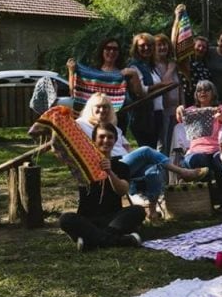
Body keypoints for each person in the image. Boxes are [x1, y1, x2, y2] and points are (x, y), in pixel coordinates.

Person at [77, 93, 207, 221]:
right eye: (98, 106)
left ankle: (152, 211)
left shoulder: (114, 128)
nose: (102, 110)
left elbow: (127, 148)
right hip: (109, 163)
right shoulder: (81, 124)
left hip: (124, 164)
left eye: (106, 107)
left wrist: (137, 161)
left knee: (153, 168)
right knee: (146, 150)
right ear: (90, 108)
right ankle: (182, 171)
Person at [59, 122, 146, 252]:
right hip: (88, 219)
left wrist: (109, 172)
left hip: (113, 218)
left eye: (110, 137)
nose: (106, 140)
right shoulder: (81, 165)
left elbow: (122, 191)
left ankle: (91, 241)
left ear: (115, 140)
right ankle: (121, 240)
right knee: (66, 219)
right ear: (93, 140)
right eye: (101, 137)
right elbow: (62, 151)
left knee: (138, 210)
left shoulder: (122, 166)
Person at [176, 79, 222, 210]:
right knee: (198, 160)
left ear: (213, 93)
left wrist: (219, 116)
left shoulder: (220, 108)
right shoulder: (191, 110)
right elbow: (179, 118)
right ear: (195, 94)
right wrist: (179, 109)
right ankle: (208, 200)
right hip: (196, 150)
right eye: (199, 90)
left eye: (207, 89)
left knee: (220, 161)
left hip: (216, 148)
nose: (203, 92)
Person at [154, 33, 181, 155]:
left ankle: (172, 172)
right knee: (162, 145)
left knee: (174, 144)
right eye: (158, 45)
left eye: (164, 44)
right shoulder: (154, 66)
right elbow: (164, 84)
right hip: (162, 110)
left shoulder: (173, 64)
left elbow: (179, 87)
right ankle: (161, 173)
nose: (162, 47)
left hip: (175, 110)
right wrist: (170, 69)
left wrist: (182, 105)